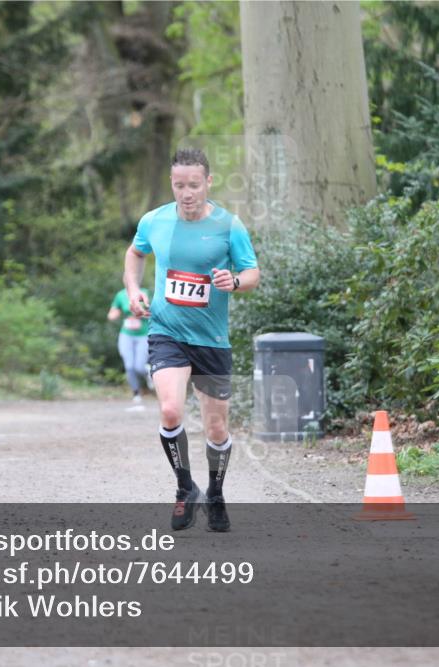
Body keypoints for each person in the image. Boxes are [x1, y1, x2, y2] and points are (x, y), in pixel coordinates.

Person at [123, 147, 260, 532]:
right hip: (166, 332)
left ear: (208, 183)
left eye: (194, 185)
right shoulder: (154, 221)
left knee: (217, 428)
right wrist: (134, 290)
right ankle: (185, 487)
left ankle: (215, 494)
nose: (187, 193)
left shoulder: (229, 226)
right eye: (180, 185)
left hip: (212, 340)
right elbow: (135, 254)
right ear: (172, 183)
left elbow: (252, 273)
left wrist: (232, 282)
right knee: (170, 411)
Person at [107, 285, 151, 401]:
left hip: (143, 335)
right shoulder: (120, 295)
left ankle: (149, 373)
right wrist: (114, 315)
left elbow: (153, 312)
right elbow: (112, 313)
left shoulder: (145, 293)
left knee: (139, 367)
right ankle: (136, 393)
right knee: (129, 366)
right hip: (126, 335)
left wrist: (140, 315)